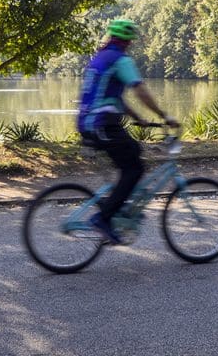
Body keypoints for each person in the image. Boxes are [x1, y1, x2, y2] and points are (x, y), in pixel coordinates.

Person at [76, 19, 178, 245]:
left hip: (91, 122)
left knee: (132, 154)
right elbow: (140, 90)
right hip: (101, 124)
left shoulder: (100, 58)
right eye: (130, 40)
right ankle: (103, 219)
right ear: (126, 41)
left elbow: (113, 97)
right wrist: (164, 115)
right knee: (134, 168)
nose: (131, 44)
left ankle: (118, 209)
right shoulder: (121, 60)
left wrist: (138, 118)